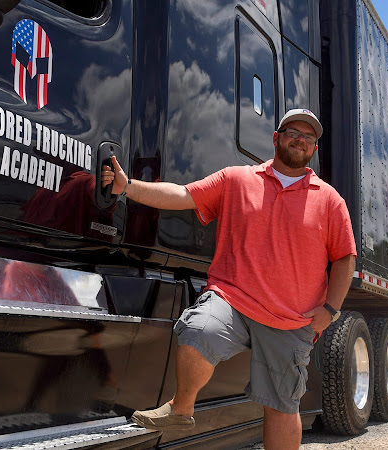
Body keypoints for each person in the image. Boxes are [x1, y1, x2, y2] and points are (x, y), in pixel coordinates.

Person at [101, 109, 357, 449]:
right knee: (197, 331)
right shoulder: (238, 179)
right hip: (233, 299)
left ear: (313, 148)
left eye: (309, 137)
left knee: (282, 406)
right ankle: (181, 410)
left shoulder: (329, 199)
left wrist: (331, 309)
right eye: (293, 132)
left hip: (291, 318)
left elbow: (345, 257)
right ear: (276, 137)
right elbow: (182, 195)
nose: (301, 140)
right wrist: (127, 187)